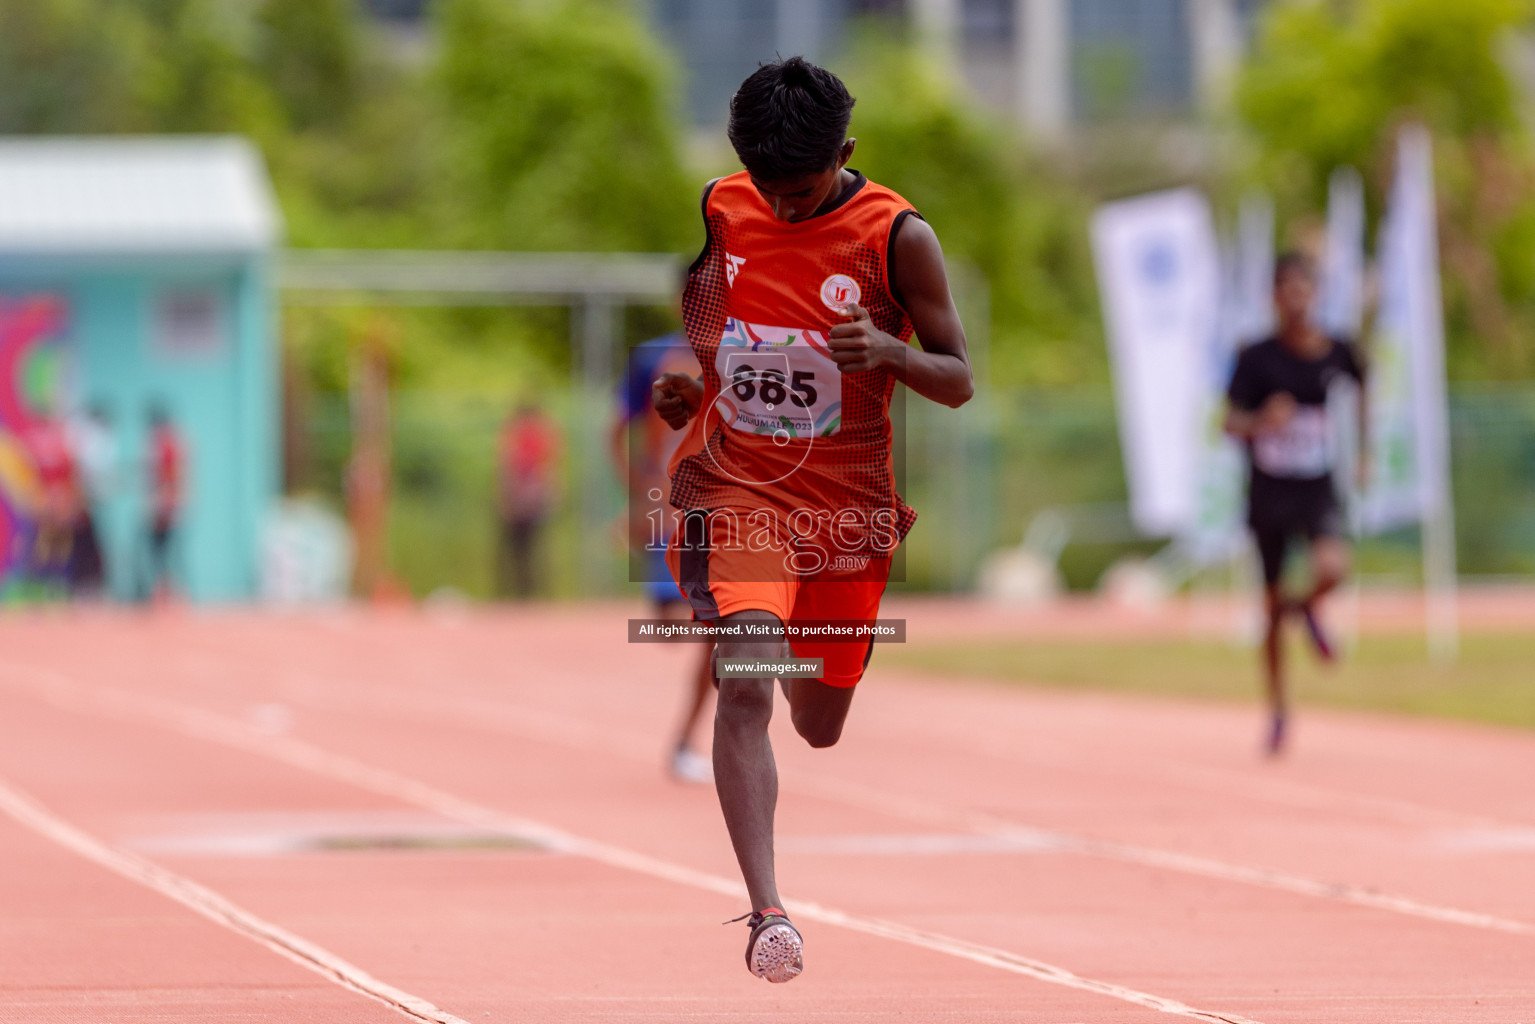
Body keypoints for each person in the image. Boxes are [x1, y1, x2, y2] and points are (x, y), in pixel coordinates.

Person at [651, 57, 973, 983]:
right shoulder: (723, 206)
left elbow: (958, 378)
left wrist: (885, 351)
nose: (784, 211)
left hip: (843, 513)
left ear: (847, 152)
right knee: (745, 680)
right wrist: (691, 387)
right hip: (741, 489)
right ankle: (768, 915)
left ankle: (808, 653)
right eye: (769, 191)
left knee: (818, 722)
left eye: (802, 192)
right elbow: (724, 328)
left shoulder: (895, 237)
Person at [1224, 252, 1367, 756]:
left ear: (1315, 293)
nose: (1294, 298)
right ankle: (1279, 709)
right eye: (1285, 289)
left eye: (1303, 288)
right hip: (1270, 488)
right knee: (1267, 612)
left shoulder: (1337, 350)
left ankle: (1304, 606)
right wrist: (1262, 419)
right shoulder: (1256, 356)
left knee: (1334, 567)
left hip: (1317, 482)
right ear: (1273, 296)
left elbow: (1363, 385)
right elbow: (1228, 424)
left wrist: (1365, 451)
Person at [611, 326, 715, 784]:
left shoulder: (745, 351)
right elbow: (615, 429)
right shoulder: (654, 357)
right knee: (668, 628)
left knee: (723, 629)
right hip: (668, 508)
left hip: (722, 510)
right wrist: (638, 492)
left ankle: (684, 741)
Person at [496, 403, 559, 599]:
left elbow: (546, 469)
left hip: (530, 498)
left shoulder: (534, 437)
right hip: (522, 498)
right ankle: (520, 591)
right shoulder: (519, 436)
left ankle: (531, 591)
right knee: (518, 548)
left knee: (531, 547)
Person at [65, 402, 119, 599]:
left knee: (91, 547)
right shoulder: (92, 438)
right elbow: (85, 471)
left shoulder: (98, 439)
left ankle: (92, 587)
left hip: (93, 501)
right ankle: (87, 587)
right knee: (85, 546)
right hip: (86, 501)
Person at [144, 402, 186, 602]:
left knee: (166, 551)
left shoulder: (167, 446)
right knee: (162, 551)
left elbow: (171, 477)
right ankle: (164, 591)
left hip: (166, 506)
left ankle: (170, 592)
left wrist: (165, 504)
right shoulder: (163, 445)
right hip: (163, 504)